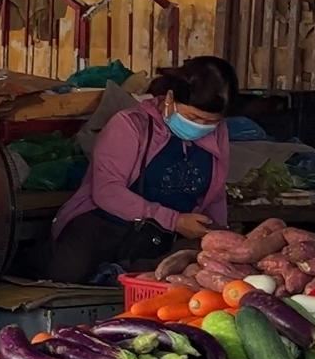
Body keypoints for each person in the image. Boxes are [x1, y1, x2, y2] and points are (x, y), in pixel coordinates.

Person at [46, 61, 234, 284]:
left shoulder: (217, 133)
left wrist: (219, 233)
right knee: (68, 278)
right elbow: (107, 192)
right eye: (193, 118)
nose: (201, 127)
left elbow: (215, 192)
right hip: (105, 229)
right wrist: (173, 220)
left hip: (163, 240)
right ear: (170, 98)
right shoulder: (129, 125)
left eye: (210, 122)